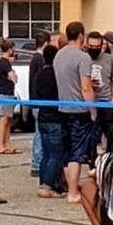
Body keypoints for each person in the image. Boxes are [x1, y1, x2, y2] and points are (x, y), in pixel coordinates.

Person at [53, 21, 95, 203]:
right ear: (81, 36)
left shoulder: (58, 56)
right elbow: (85, 87)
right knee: (77, 153)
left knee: (66, 150)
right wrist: (93, 109)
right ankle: (72, 192)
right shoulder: (83, 58)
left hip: (62, 107)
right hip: (79, 109)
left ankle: (70, 186)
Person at [35, 45, 65, 198]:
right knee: (56, 154)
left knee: (46, 154)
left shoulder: (40, 73)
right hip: (54, 117)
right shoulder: (55, 75)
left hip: (42, 117)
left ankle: (43, 182)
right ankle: (47, 185)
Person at [85, 30, 113, 159]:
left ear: (102, 46)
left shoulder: (110, 59)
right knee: (91, 135)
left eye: (96, 47)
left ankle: (110, 160)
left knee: (111, 134)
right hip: (89, 102)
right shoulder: (84, 58)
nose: (94, 49)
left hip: (105, 101)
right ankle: (92, 161)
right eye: (91, 47)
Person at [28, 30, 50, 178]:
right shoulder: (39, 59)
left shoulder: (34, 59)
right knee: (39, 134)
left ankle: (38, 161)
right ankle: (36, 163)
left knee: (40, 133)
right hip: (38, 101)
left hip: (35, 100)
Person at [0, 39, 19, 155]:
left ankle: (7, 143)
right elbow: (14, 78)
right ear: (9, 49)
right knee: (3, 119)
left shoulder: (6, 62)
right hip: (5, 94)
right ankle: (0, 145)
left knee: (9, 120)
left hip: (9, 93)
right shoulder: (4, 63)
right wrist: (13, 76)